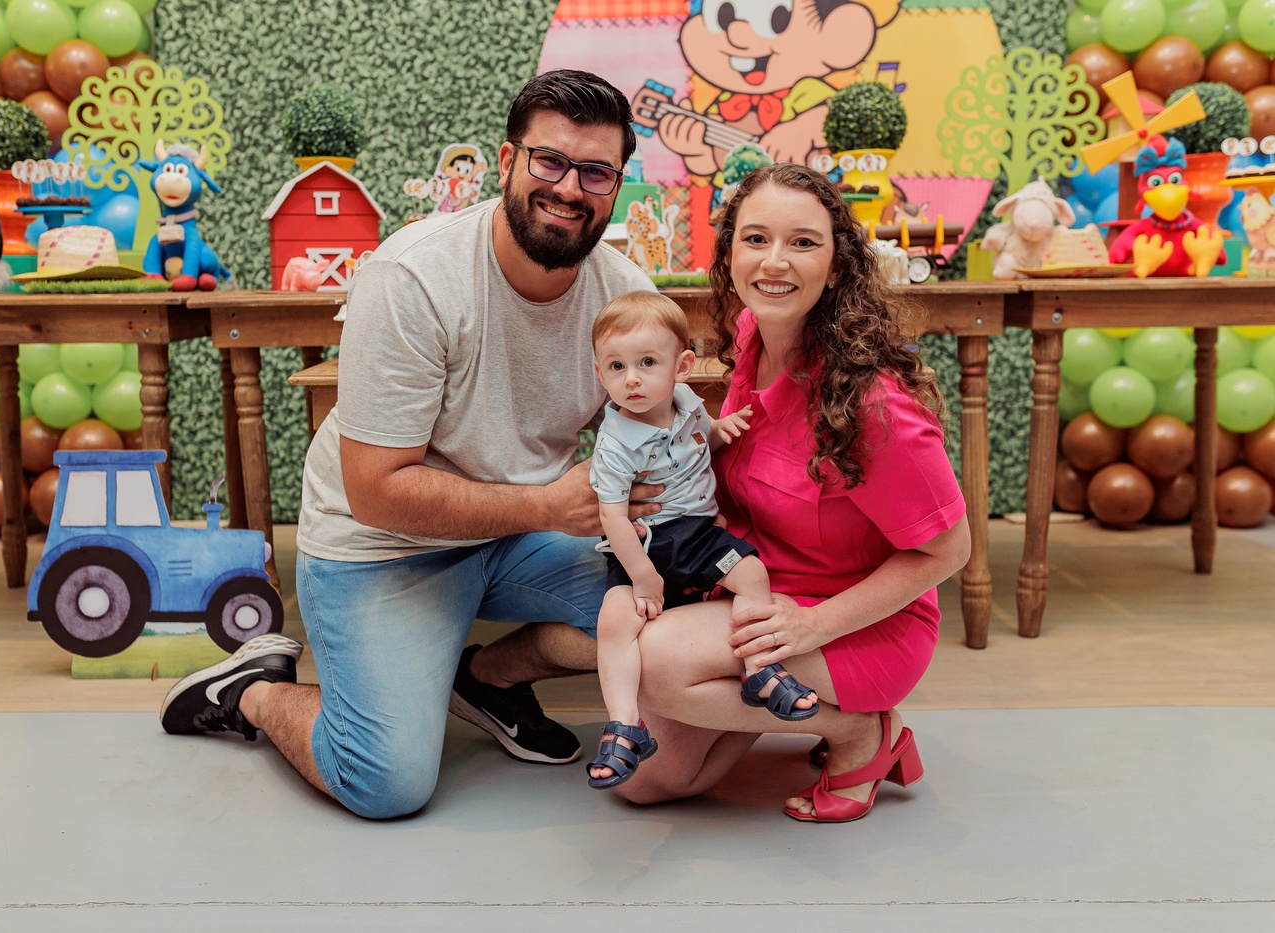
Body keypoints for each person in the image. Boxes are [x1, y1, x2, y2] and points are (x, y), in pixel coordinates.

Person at [158, 70, 658, 819]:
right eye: (550, 161)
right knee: (385, 782)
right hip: (382, 544)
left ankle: (486, 678)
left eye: (595, 172)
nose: (568, 188)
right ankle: (251, 690)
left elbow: (642, 439)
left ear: (616, 185)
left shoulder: (625, 294)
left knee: (669, 612)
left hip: (519, 535)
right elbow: (376, 491)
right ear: (507, 162)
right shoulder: (413, 276)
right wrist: (551, 505)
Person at [612, 162, 970, 823]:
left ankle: (857, 731)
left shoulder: (874, 404)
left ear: (835, 267)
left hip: (855, 622)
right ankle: (784, 695)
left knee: (656, 662)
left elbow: (949, 551)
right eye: (756, 239)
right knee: (649, 780)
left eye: (803, 242)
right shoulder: (752, 338)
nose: (774, 261)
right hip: (759, 594)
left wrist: (813, 625)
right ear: (730, 254)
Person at [583, 291, 819, 790]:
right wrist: (642, 576)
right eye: (617, 366)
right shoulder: (615, 441)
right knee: (615, 620)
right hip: (645, 544)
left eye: (647, 363)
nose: (631, 379)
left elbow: (697, 439)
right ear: (600, 373)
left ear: (682, 367)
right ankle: (625, 724)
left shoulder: (687, 404)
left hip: (697, 534)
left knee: (751, 573)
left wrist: (718, 429)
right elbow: (612, 515)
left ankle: (759, 669)